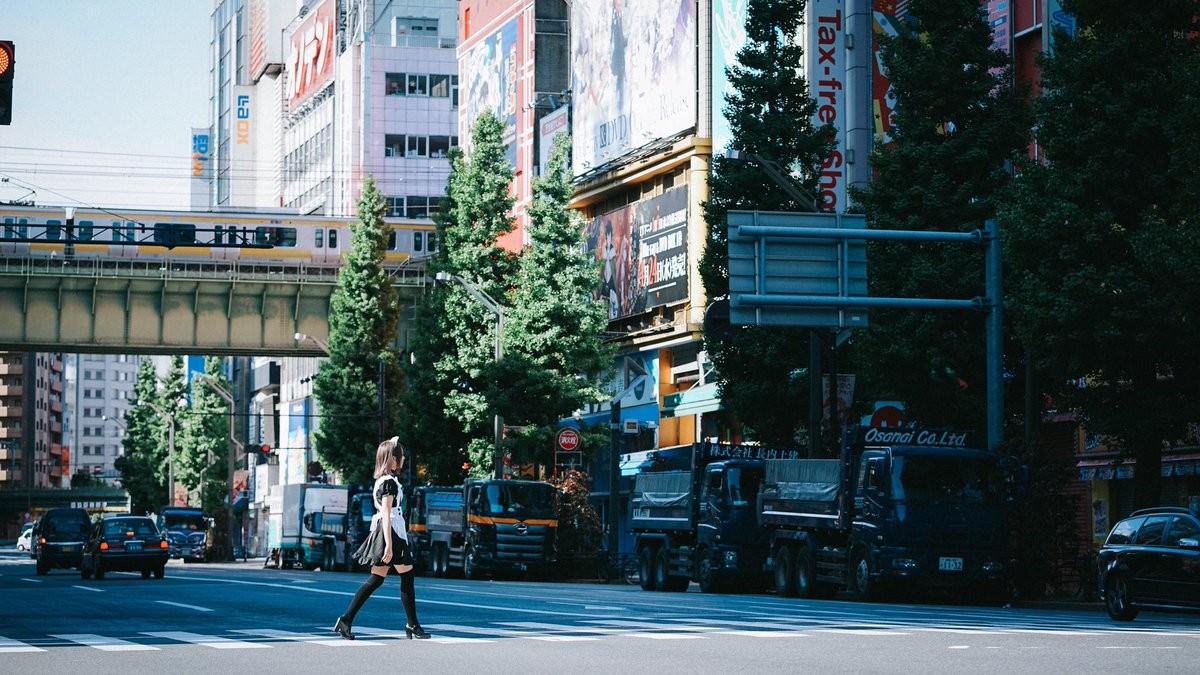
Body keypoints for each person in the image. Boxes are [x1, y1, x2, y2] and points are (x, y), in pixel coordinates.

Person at [333, 437, 430, 640]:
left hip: (388, 530)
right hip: (391, 531)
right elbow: (387, 513)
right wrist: (388, 546)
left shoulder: (384, 481)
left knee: (376, 579)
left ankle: (346, 619)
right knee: (407, 576)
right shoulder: (388, 483)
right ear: (392, 460)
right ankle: (413, 625)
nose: (403, 459)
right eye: (400, 456)